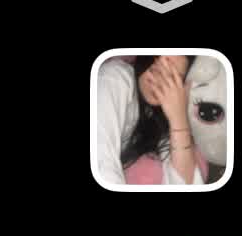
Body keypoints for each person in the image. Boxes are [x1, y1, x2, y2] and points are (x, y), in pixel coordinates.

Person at [91, 54, 227, 188]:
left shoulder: (159, 118)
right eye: (157, 70)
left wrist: (178, 118)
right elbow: (101, 160)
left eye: (173, 78)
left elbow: (184, 184)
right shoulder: (115, 77)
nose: (160, 83)